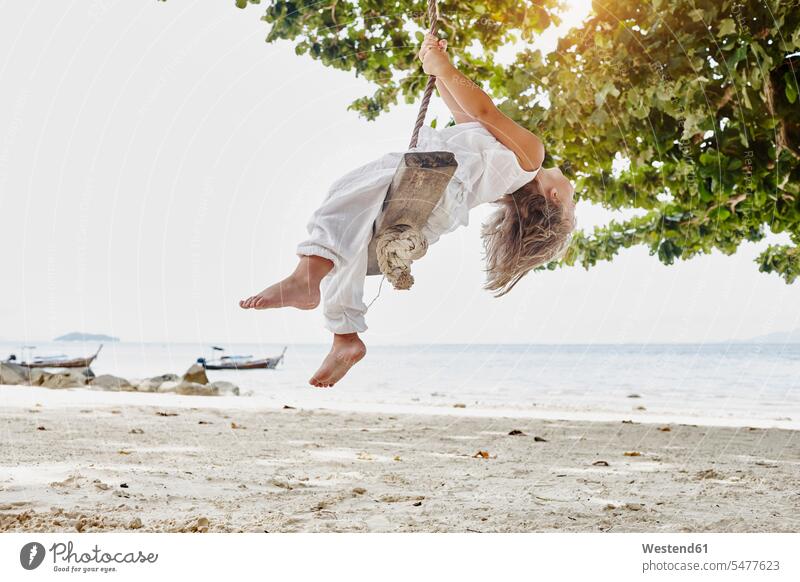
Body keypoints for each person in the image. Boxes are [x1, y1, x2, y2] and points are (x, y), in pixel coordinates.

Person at [240, 34, 576, 387]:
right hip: (434, 200)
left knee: (344, 197)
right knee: (349, 238)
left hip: (433, 184)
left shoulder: (531, 155)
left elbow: (484, 111)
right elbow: (465, 114)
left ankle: (305, 280)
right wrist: (438, 66)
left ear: (553, 197)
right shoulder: (506, 164)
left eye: (572, 200)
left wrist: (444, 68)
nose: (573, 191)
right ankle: (345, 335)